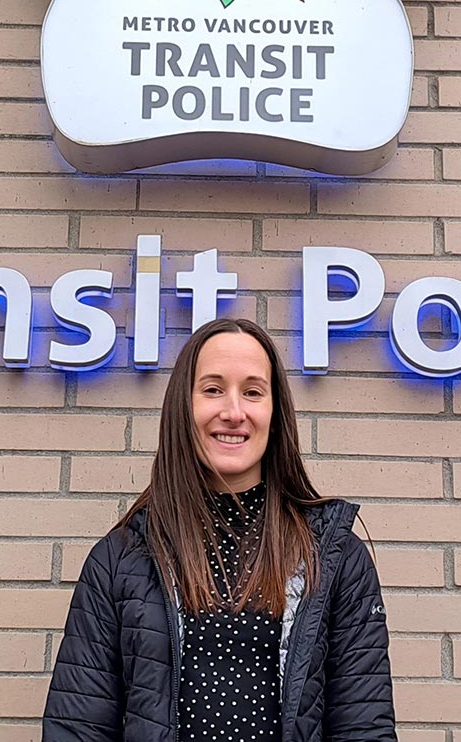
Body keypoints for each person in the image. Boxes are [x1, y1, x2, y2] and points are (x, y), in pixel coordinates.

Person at [43, 318, 396, 741]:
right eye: (212, 390)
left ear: (275, 412)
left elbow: (363, 730)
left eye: (252, 392)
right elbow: (77, 729)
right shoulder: (120, 559)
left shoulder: (334, 558)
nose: (233, 412)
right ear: (183, 408)